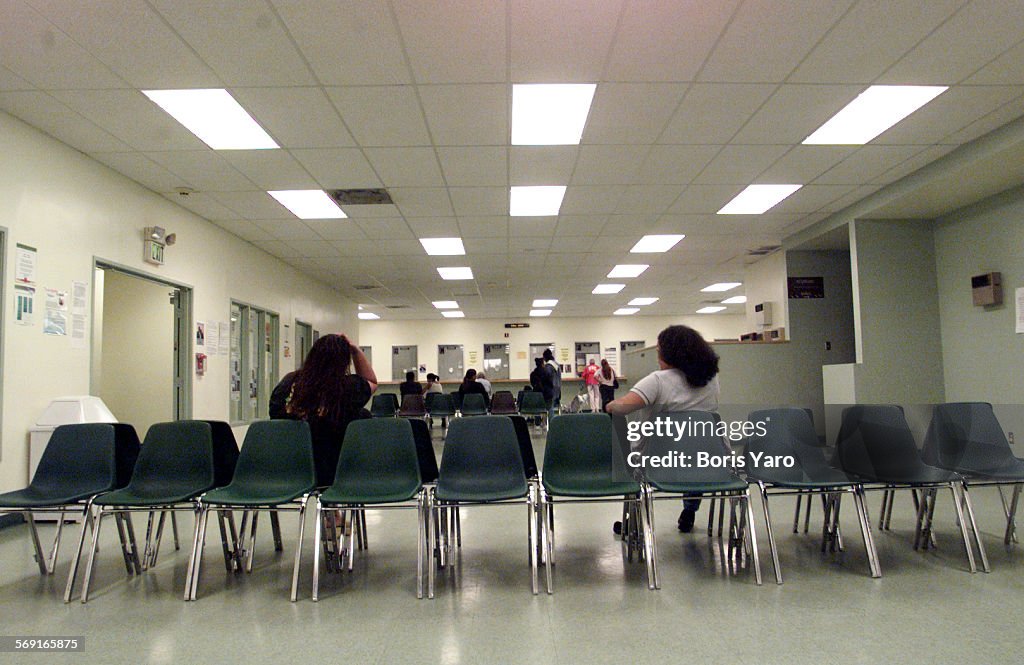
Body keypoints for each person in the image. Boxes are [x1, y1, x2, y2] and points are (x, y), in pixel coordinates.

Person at [605, 325, 720, 533]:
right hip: (704, 460)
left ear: (670, 353)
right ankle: (690, 510)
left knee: (634, 463)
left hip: (657, 461)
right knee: (694, 452)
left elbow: (621, 408)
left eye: (659, 351)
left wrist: (610, 405)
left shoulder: (657, 381)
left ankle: (633, 521)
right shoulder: (711, 380)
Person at [269, 334, 377, 487]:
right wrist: (355, 351)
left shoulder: (288, 382)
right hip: (333, 469)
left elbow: (274, 415)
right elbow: (371, 381)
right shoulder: (346, 386)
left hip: (285, 467)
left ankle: (330, 509)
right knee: (362, 416)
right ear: (343, 362)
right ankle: (331, 505)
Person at [529, 357, 554, 425]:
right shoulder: (547, 373)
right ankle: (551, 423)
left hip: (537, 395)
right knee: (550, 408)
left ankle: (537, 423)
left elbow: (532, 384)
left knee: (537, 408)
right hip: (547, 395)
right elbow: (551, 383)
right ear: (542, 364)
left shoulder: (533, 374)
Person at [542, 348, 561, 418]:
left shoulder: (548, 366)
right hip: (558, 389)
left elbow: (547, 377)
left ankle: (551, 423)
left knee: (550, 408)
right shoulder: (557, 365)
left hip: (550, 389)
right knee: (554, 407)